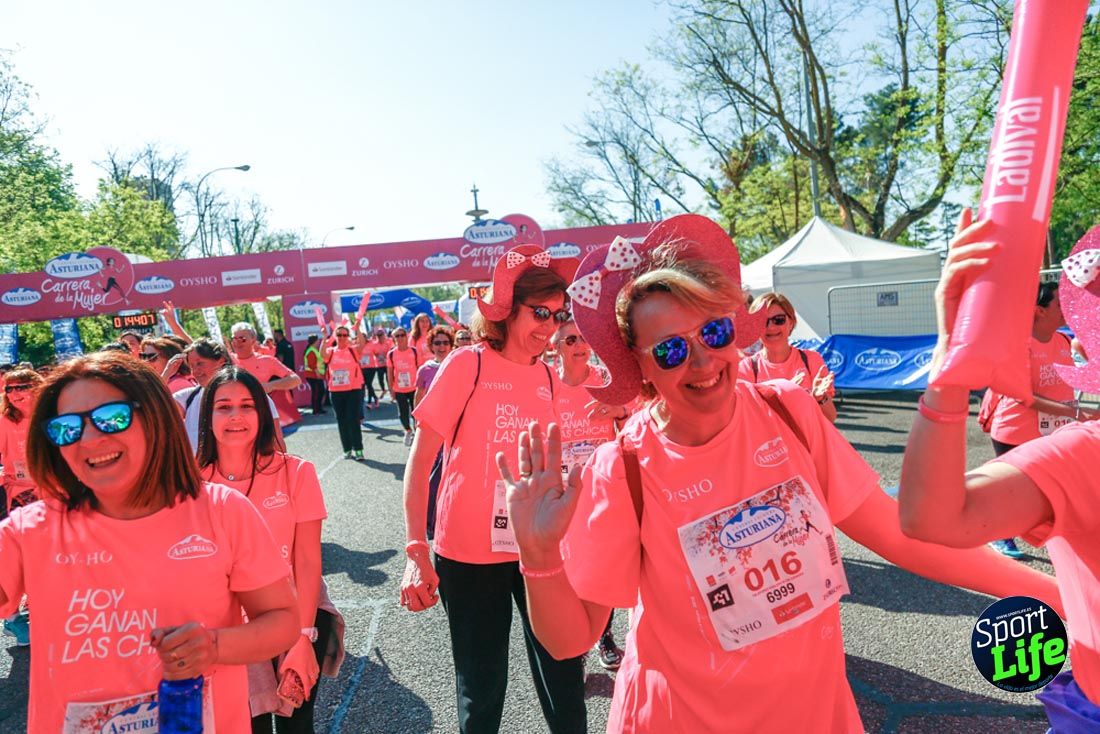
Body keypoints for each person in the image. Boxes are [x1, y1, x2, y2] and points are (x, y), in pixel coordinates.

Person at [496, 214, 1061, 734]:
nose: (702, 361)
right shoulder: (621, 469)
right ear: (638, 366)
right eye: (670, 350)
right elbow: (571, 639)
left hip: (812, 714)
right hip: (680, 719)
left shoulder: (789, 412)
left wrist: (1063, 596)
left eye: (713, 333)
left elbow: (901, 532)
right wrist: (540, 558)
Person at [7, 351, 298, 732]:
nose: (90, 439)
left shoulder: (222, 512)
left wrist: (213, 645)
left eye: (113, 419)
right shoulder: (31, 531)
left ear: (155, 419)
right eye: (67, 428)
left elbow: (282, 621)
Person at [899, 210, 1100, 731]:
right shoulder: (1086, 455)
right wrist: (950, 367)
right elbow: (935, 517)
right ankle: (1013, 536)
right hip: (1026, 431)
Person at [401, 243, 587, 734]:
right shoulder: (467, 364)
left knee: (565, 677)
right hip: (468, 555)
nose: (549, 325)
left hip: (539, 552)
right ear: (506, 311)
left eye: (558, 314)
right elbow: (420, 465)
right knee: (481, 691)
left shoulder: (551, 377)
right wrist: (416, 550)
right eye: (539, 312)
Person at [195, 367, 344, 732]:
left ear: (262, 413)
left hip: (299, 615)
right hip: (231, 631)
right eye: (223, 406)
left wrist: (302, 638)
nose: (236, 416)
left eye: (247, 405)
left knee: (296, 725)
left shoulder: (297, 473)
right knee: (248, 726)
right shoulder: (190, 484)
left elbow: (308, 561)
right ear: (207, 417)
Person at [981, 280, 1091, 558]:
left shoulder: (1064, 341)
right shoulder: (1020, 345)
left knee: (1058, 490)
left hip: (1054, 432)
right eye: (1058, 303)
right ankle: (1000, 535)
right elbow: (1024, 397)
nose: (1065, 309)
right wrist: (1075, 413)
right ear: (1039, 311)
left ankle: (1063, 544)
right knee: (1011, 491)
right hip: (1015, 431)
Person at [548, 319, 628, 671]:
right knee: (567, 570)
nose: (579, 345)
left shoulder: (606, 379)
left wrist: (620, 411)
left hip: (603, 491)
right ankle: (577, 643)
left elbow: (640, 416)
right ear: (555, 346)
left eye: (582, 338)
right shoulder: (546, 384)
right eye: (569, 340)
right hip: (563, 493)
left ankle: (603, 635)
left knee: (602, 566)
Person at [171, 337, 284, 453]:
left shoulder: (255, 396)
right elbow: (155, 412)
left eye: (200, 363)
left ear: (221, 361)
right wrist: (165, 374)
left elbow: (277, 444)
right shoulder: (187, 398)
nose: (195, 371)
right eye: (191, 366)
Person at [740, 292, 837, 422]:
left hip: (808, 442)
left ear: (791, 322)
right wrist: (784, 395)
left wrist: (819, 399)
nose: (771, 327)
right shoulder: (746, 369)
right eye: (763, 322)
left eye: (778, 320)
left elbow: (831, 417)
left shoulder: (811, 360)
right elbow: (746, 422)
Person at [0, 368, 44, 646]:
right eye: (9, 389)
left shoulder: (50, 415)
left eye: (22, 387)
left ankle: (39, 609)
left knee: (46, 555)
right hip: (20, 495)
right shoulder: (5, 420)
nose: (15, 394)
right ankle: (13, 617)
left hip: (52, 494)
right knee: (18, 555)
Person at [230, 322, 302, 429]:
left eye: (242, 339)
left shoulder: (267, 360)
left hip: (261, 418)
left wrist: (271, 385)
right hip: (233, 418)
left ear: (253, 340)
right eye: (234, 339)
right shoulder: (226, 360)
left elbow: (295, 380)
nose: (237, 342)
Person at [324, 324, 366, 461]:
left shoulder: (353, 351)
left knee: (353, 419)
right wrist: (326, 336)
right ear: (336, 337)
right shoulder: (330, 351)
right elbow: (321, 353)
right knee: (341, 421)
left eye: (345, 335)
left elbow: (362, 343)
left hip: (353, 390)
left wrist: (358, 329)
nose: (342, 338)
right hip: (336, 391)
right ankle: (347, 449)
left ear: (348, 337)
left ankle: (358, 449)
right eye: (339, 335)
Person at [387, 328, 421, 447]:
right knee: (402, 413)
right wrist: (391, 389)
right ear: (394, 339)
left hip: (414, 387)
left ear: (406, 337)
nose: (400, 338)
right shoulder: (391, 354)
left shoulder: (414, 351)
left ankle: (417, 432)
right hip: (399, 388)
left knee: (416, 412)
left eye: (402, 335)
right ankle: (407, 430)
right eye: (397, 336)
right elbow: (390, 372)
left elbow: (420, 369)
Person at [413, 326, 454, 409]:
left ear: (451, 346)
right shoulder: (424, 370)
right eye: (437, 343)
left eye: (446, 342)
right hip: (432, 415)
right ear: (431, 346)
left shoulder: (458, 367)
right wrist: (417, 420)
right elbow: (419, 396)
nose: (442, 346)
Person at [361, 328, 391, 410]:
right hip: (362, 368)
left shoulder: (371, 344)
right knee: (368, 384)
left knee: (369, 383)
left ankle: (370, 402)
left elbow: (376, 352)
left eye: (362, 338)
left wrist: (379, 355)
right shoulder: (357, 346)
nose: (360, 340)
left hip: (371, 367)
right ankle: (374, 399)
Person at [303, 335, 327, 416]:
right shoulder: (311, 351)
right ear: (315, 341)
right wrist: (318, 374)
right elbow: (311, 364)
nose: (318, 342)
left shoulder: (313, 350)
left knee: (319, 391)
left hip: (315, 375)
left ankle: (318, 408)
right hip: (313, 375)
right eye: (317, 341)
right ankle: (316, 409)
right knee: (317, 392)